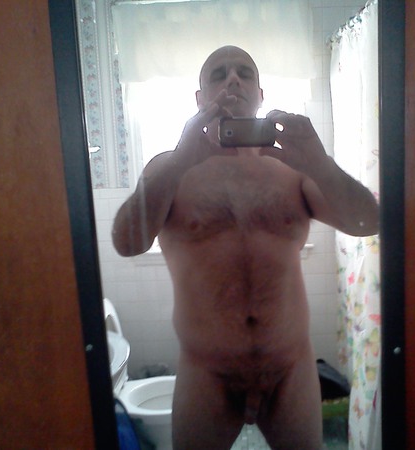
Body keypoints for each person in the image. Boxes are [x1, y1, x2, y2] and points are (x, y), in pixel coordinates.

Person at [112, 45, 379, 450]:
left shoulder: (294, 169)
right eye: (218, 74)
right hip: (207, 373)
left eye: (245, 73)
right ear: (200, 98)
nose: (233, 79)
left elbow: (367, 222)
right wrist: (181, 160)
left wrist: (320, 163)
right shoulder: (169, 168)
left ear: (260, 94)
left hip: (290, 368)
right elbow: (127, 243)